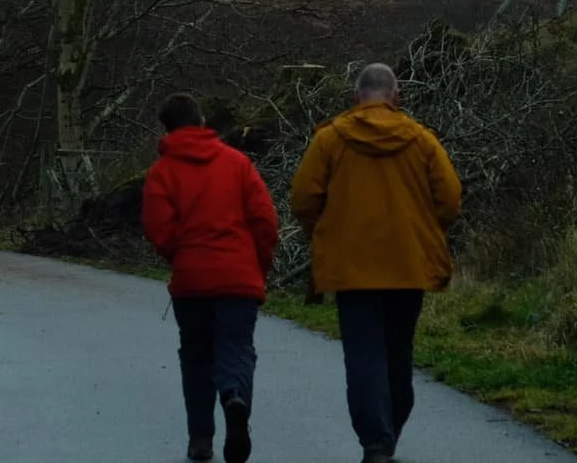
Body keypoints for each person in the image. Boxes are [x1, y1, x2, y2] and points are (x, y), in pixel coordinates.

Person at [289, 62, 462, 463]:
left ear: (355, 99)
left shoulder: (330, 140)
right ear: (396, 97)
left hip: (352, 269)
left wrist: (328, 231)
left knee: (364, 355)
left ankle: (376, 441)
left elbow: (303, 199)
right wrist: (422, 229)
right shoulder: (422, 141)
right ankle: (390, 431)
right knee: (398, 352)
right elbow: (450, 199)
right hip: (408, 264)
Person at [142, 92, 280, 463]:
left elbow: (158, 228)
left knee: (196, 357)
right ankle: (234, 397)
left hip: (192, 280)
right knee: (236, 348)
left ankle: (200, 438)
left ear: (167, 129)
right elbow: (265, 220)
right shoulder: (238, 164)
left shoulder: (161, 173)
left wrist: (182, 254)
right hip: (238, 276)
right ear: (202, 122)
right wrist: (258, 264)